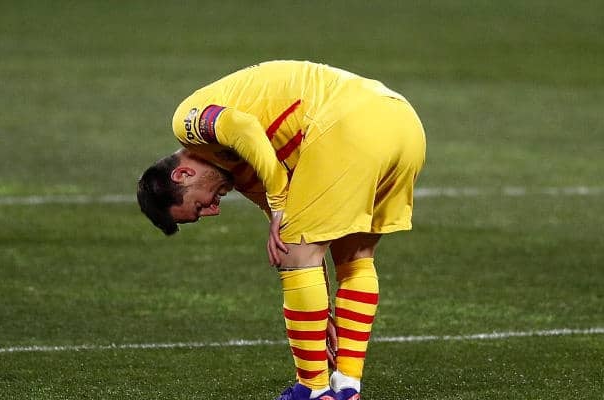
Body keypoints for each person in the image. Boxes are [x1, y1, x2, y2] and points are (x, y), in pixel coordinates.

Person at [137, 60, 426, 400]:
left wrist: (277, 201)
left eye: (200, 206)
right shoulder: (246, 170)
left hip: (347, 123)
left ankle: (313, 390)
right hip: (403, 125)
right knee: (354, 257)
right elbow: (305, 245)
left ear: (182, 175)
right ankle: (347, 385)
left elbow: (243, 127)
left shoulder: (187, 123)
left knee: (292, 253)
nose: (214, 209)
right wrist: (319, 315)